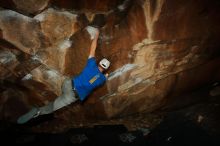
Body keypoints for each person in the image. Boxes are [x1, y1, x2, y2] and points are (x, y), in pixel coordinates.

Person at [17, 28, 110, 124]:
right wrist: (106, 76)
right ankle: (38, 111)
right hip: (72, 96)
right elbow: (103, 78)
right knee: (53, 107)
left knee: (68, 82)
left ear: (99, 63)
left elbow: (92, 49)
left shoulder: (92, 64)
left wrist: (96, 36)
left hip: (68, 84)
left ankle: (46, 104)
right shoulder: (102, 79)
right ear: (105, 69)